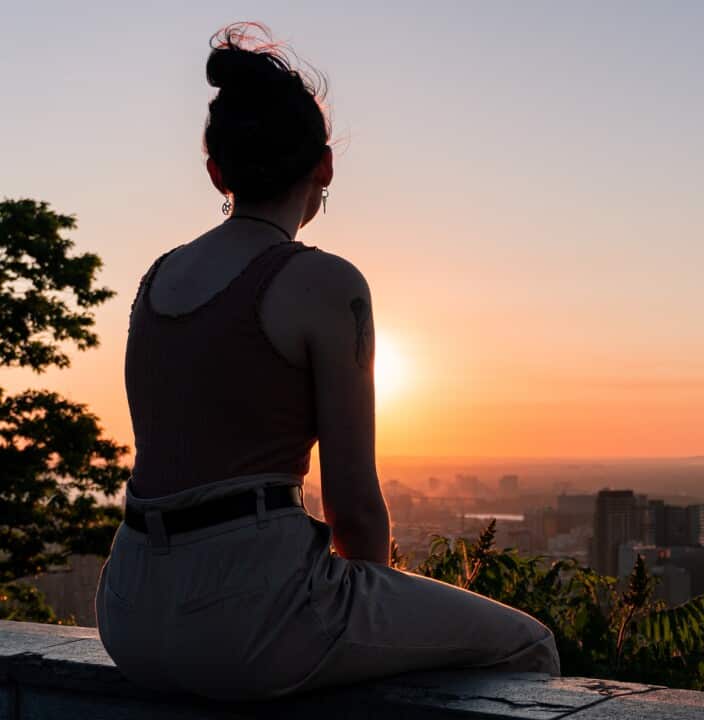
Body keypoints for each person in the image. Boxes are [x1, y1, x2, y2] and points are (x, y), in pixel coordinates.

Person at [95, 23, 559, 701]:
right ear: (325, 166)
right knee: (529, 644)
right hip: (249, 616)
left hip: (127, 610)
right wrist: (369, 599)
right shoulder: (326, 285)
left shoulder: (157, 278)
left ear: (216, 171)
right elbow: (354, 509)